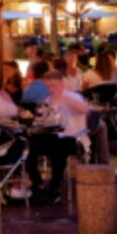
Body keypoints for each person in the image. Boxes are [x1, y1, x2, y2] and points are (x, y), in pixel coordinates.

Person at [26, 71, 90, 203]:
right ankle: (39, 184)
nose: (50, 89)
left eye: (53, 86)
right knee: (29, 148)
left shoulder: (72, 97)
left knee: (58, 147)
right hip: (52, 137)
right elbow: (41, 120)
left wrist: (64, 98)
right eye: (48, 87)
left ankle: (55, 187)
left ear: (61, 84)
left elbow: (85, 110)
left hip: (73, 138)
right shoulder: (47, 100)